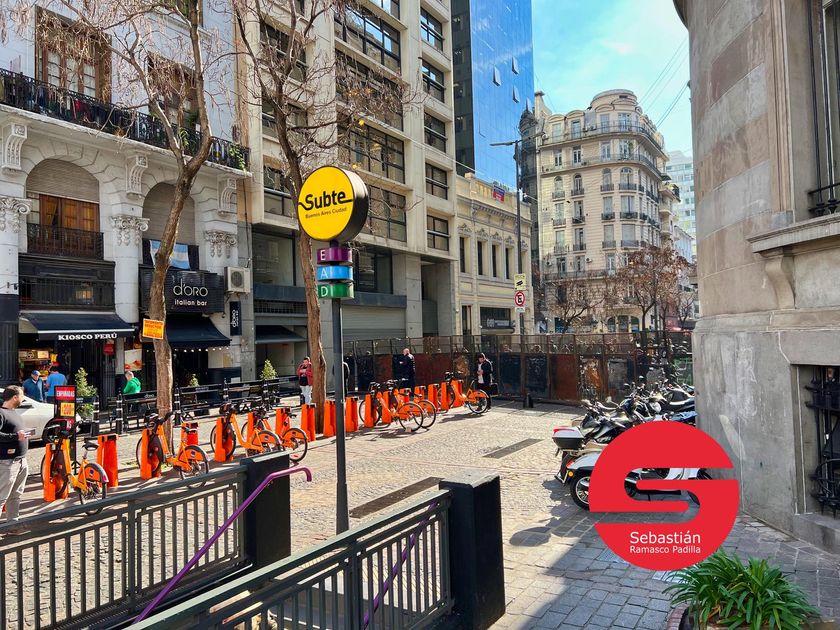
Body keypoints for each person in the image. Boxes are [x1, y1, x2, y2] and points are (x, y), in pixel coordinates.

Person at [0, 385, 30, 530]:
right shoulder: (1, 413)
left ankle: (12, 526)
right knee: (2, 497)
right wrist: (15, 436)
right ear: (15, 397)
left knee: (16, 495)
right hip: (7, 463)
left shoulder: (14, 412)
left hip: (21, 460)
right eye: (22, 395)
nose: (23, 398)